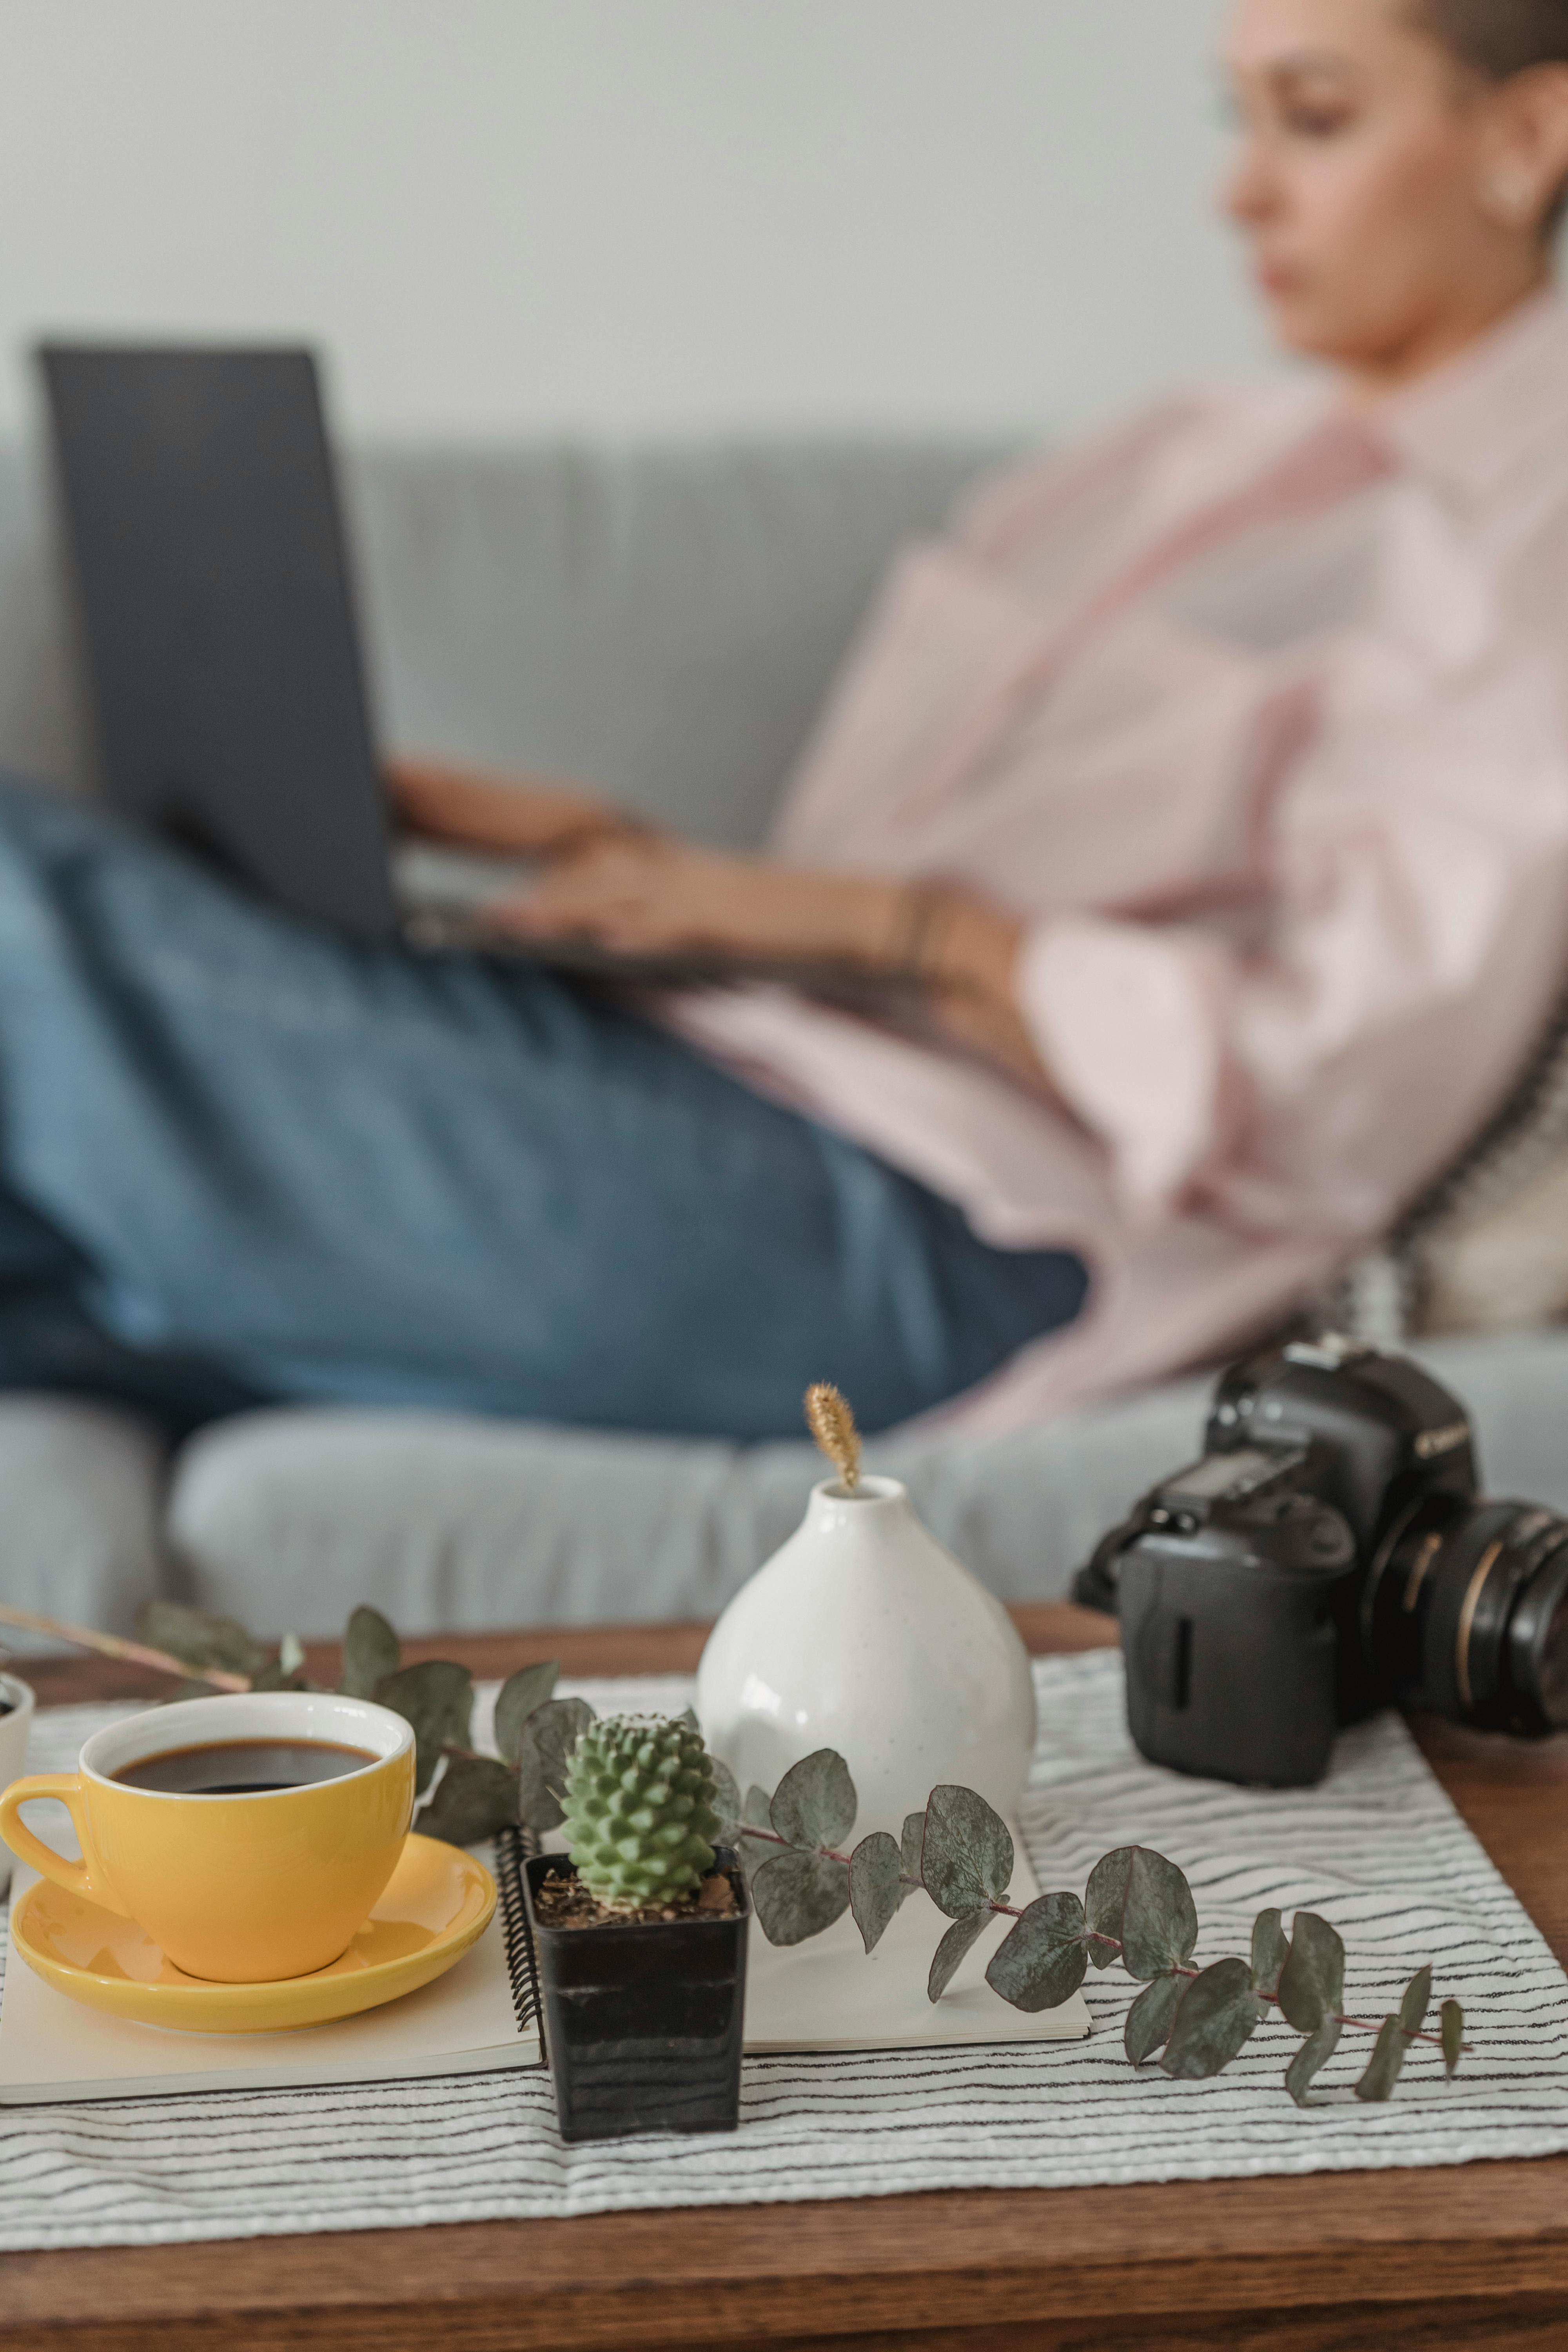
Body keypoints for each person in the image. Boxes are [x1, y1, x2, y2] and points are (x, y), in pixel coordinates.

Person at [5, 0, 1568, 1444]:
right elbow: (921, 913)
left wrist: (907, 931)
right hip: (754, 1083)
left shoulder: (1522, 570)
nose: (1241, 192)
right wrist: (645, 868)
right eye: (1234, 120)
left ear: (1523, 140)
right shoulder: (1177, 460)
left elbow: (1321, 1099)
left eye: (1312, 118)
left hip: (960, 1230)